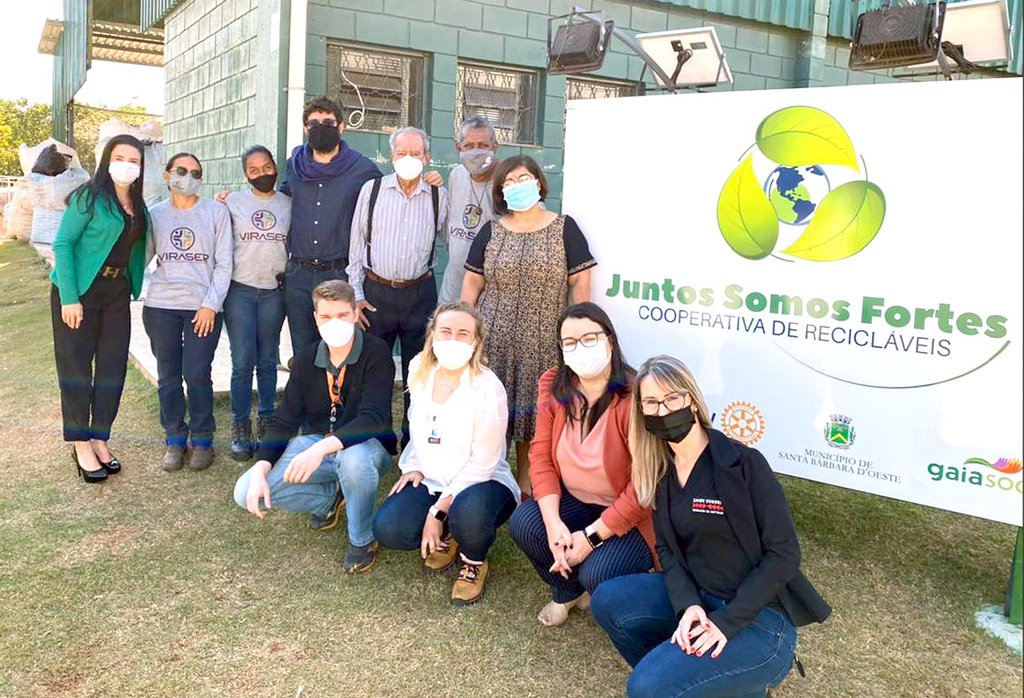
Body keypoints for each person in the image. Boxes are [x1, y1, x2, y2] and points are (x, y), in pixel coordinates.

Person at [590, 355, 831, 698]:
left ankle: (713, 679)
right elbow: (668, 552)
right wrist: (688, 605)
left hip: (760, 617)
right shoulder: (661, 473)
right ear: (642, 414)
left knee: (645, 689)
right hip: (701, 601)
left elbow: (784, 554)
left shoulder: (742, 464)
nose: (663, 410)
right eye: (652, 403)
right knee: (608, 600)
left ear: (691, 400)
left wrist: (727, 622)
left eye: (672, 398)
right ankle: (689, 677)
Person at [232, 280, 397, 573]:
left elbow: (373, 417)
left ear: (355, 315)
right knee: (245, 489)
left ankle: (362, 540)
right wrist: (261, 467)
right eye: (326, 317)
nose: (335, 323)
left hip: (367, 449)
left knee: (353, 460)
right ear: (315, 319)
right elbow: (285, 420)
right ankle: (328, 500)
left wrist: (321, 448)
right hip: (319, 448)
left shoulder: (377, 352)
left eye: (343, 315)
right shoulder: (307, 359)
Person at [509, 303, 654, 626]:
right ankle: (566, 591)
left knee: (596, 572)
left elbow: (645, 488)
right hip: (575, 500)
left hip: (627, 514)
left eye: (589, 338)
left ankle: (600, 576)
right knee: (525, 523)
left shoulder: (636, 395)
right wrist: (553, 525)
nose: (579, 348)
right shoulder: (553, 384)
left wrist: (590, 538)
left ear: (610, 341)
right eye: (569, 342)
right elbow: (541, 457)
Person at [462, 156, 595, 496]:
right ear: (500, 192)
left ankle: (528, 491)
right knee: (489, 415)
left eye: (523, 178)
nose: (516, 186)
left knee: (534, 421)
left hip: (544, 343)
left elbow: (580, 282)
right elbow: (472, 286)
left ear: (538, 182)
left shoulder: (565, 228)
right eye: (508, 182)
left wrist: (580, 336)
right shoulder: (491, 231)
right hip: (493, 344)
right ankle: (480, 484)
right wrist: (464, 335)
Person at [373, 301, 519, 605]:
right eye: (446, 331)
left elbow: (484, 463)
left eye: (463, 333)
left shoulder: (487, 388)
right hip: (431, 479)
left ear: (476, 341)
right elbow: (417, 426)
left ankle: (474, 561)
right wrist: (412, 464)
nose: (453, 339)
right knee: (389, 528)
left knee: (469, 512)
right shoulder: (418, 370)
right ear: (432, 336)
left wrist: (437, 511)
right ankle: (450, 536)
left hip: (482, 485)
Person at [50, 134, 150, 483]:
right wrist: (69, 297)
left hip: (116, 292)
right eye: (121, 157)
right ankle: (80, 443)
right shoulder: (88, 197)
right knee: (76, 365)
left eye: (134, 160)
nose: (127, 164)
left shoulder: (139, 204)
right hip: (80, 289)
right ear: (107, 159)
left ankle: (99, 436)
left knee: (111, 368)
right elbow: (63, 244)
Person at [347, 126, 448, 446]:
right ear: (392, 156)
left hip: (420, 294)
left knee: (419, 372)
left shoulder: (437, 195)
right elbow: (355, 246)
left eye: (416, 154)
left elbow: (456, 240)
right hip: (376, 294)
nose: (408, 159)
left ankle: (413, 440)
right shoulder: (372, 191)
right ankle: (377, 438)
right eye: (401, 153)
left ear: (427, 158)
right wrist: (357, 295)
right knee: (374, 370)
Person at [144, 153, 233, 472]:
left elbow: (224, 264)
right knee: (168, 375)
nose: (189, 176)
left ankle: (203, 438)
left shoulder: (215, 212)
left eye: (196, 172)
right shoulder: (154, 215)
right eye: (181, 171)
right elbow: (141, 257)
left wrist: (210, 304)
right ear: (167, 175)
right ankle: (174, 438)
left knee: (197, 373)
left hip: (202, 307)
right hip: (161, 306)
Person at [277, 96, 382, 353]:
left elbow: (389, 200)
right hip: (298, 275)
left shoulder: (363, 169)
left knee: (340, 347)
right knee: (304, 351)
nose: (320, 127)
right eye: (313, 123)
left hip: (339, 273)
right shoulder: (294, 166)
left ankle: (338, 395)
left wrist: (429, 182)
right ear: (305, 129)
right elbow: (276, 199)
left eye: (328, 122)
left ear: (341, 127)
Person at [223, 146, 291, 461]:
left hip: (274, 292)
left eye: (267, 167)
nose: (262, 173)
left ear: (275, 168)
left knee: (267, 360)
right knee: (242, 362)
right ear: (245, 174)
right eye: (254, 169)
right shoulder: (232, 202)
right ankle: (240, 425)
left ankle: (266, 419)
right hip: (240, 291)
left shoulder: (289, 204)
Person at [437, 116, 499, 305]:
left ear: (494, 147)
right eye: (469, 146)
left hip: (489, 297)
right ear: (459, 148)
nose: (475, 152)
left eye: (483, 145)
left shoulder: (507, 179)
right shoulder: (457, 175)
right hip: (452, 289)